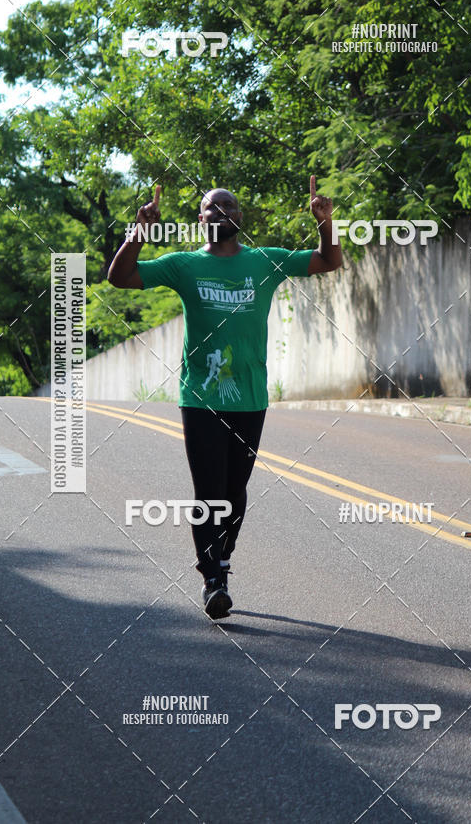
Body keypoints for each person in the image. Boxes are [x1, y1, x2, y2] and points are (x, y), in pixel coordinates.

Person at [107, 178, 342, 618]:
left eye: (227, 206)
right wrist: (139, 231)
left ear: (240, 217)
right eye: (210, 208)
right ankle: (213, 578)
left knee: (236, 491)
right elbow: (119, 277)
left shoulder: (265, 262)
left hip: (251, 397)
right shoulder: (184, 266)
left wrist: (326, 223)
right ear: (201, 221)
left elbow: (329, 260)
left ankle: (222, 557)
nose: (219, 212)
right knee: (209, 490)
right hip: (200, 399)